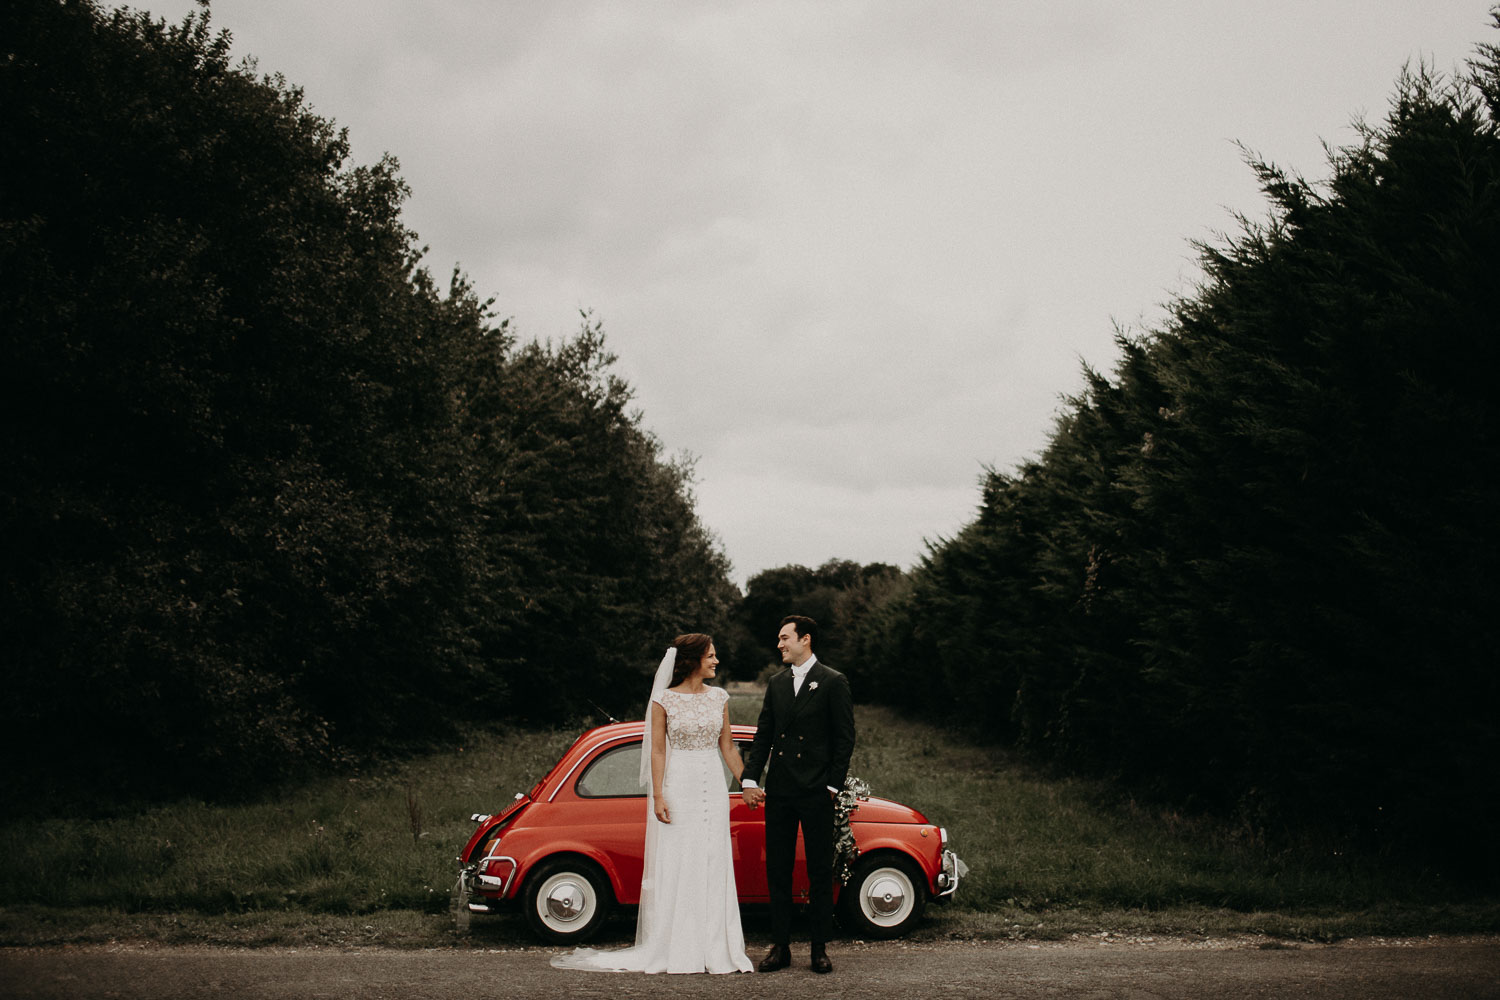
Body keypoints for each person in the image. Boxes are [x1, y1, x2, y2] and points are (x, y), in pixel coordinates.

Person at [551, 633, 754, 975]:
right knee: (680, 861)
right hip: (679, 785)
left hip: (712, 786)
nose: (717, 661)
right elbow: (658, 750)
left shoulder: (719, 697)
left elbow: (729, 747)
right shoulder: (664, 700)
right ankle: (678, 946)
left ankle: (716, 946)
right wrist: (658, 794)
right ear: (692, 661)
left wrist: (747, 782)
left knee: (712, 861)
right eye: (712, 656)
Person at [740, 615, 856, 975]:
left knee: (820, 870)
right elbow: (764, 735)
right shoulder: (776, 683)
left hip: (816, 790)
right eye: (779, 639)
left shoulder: (833, 681)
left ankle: (819, 948)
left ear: (805, 639)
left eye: (784, 638)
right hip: (782, 789)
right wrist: (749, 778)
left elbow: (844, 738)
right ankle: (780, 947)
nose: (779, 644)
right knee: (779, 868)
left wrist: (832, 786)